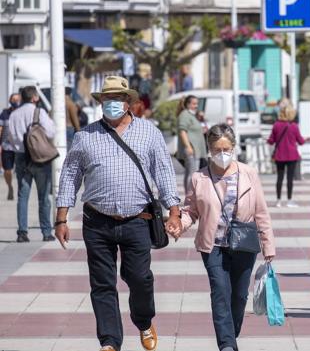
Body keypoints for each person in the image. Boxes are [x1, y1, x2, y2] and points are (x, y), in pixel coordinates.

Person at [54, 76, 181, 351]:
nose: (112, 103)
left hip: (138, 220)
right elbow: (69, 177)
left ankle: (144, 321)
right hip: (97, 221)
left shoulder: (149, 132)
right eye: (107, 98)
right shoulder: (84, 136)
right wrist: (61, 217)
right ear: (101, 102)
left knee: (139, 278)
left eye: (118, 98)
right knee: (102, 283)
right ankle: (110, 341)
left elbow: (164, 173)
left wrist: (174, 211)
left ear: (129, 102)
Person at [168, 124, 276, 351]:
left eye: (226, 148)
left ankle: (230, 336)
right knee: (220, 293)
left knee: (238, 298)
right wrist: (181, 226)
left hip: (244, 244)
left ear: (234, 147)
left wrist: (268, 246)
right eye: (217, 150)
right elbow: (191, 211)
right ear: (209, 149)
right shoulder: (199, 178)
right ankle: (227, 345)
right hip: (213, 246)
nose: (222, 154)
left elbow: (261, 211)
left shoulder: (249, 173)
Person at [7, 86, 56, 243]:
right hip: (40, 158)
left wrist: (21, 148)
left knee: (23, 195)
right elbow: (51, 132)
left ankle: (22, 232)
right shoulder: (39, 112)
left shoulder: (14, 115)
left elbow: (11, 138)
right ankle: (46, 232)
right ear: (35, 97)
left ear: (21, 98)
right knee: (43, 197)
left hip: (21, 157)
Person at [267, 103, 305, 207]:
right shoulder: (294, 126)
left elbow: (271, 140)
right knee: (289, 178)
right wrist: (304, 139)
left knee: (279, 178)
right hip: (292, 156)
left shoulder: (276, 125)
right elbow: (301, 141)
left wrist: (268, 140)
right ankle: (289, 200)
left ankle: (278, 201)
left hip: (279, 155)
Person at [177, 95, 207, 194]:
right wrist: (188, 146)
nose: (196, 106)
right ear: (188, 104)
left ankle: (190, 195)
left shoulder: (192, 115)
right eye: (194, 104)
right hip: (191, 149)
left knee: (190, 173)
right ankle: (191, 195)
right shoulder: (184, 115)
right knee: (193, 174)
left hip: (196, 149)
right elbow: (182, 131)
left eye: (197, 104)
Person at [0, 93, 21, 200]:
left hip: (20, 148)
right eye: (13, 99)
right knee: (7, 170)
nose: (15, 101)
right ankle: (10, 186)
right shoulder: (4, 113)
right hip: (7, 146)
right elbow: (0, 129)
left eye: (17, 100)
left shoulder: (22, 113)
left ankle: (21, 191)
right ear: (9, 100)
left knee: (21, 171)